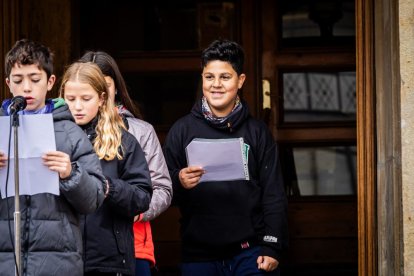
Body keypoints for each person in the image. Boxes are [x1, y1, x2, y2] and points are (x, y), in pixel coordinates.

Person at [163, 39, 288, 275]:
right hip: (198, 253)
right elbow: (161, 189)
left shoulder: (257, 132)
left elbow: (273, 192)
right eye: (209, 77)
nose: (216, 85)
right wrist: (179, 180)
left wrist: (272, 246)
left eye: (225, 77)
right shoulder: (182, 130)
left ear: (240, 81)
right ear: (202, 78)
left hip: (251, 251)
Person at [0, 39, 106, 276]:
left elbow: (94, 200)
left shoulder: (70, 132)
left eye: (35, 80)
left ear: (50, 82)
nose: (26, 88)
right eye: (18, 80)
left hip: (57, 261)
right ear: (8, 83)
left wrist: (71, 173)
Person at [78, 51, 173, 275]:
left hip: (133, 243)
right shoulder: (65, 132)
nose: (98, 91)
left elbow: (161, 188)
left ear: (116, 87)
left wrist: (133, 211)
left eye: (105, 84)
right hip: (77, 245)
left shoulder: (138, 131)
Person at [60, 61, 153, 276]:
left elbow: (142, 197)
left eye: (86, 99)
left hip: (109, 261)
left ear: (102, 99)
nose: (78, 106)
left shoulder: (124, 142)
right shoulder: (52, 139)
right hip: (62, 257)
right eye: (71, 99)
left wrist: (108, 187)